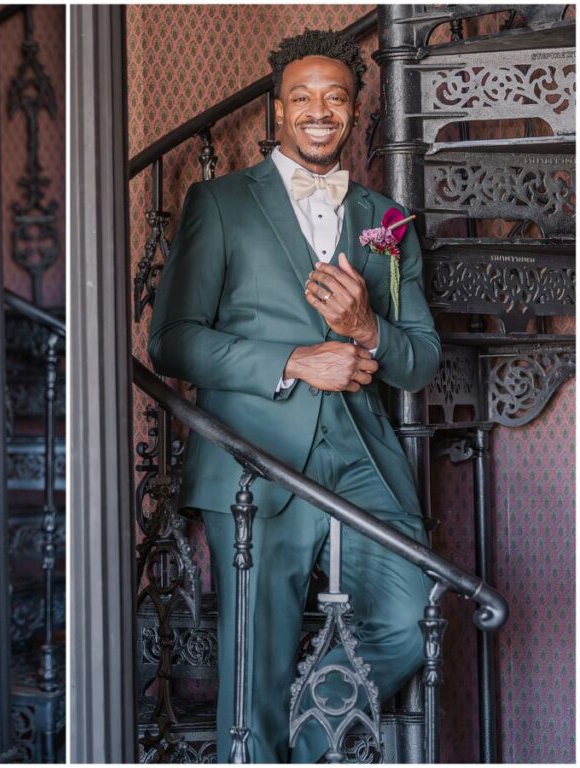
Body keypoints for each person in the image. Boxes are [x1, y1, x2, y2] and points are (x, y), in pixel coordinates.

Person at [148, 30, 441, 763]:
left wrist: (368, 328)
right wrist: (294, 360)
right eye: (302, 97)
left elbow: (423, 360)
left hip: (361, 461)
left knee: (412, 619)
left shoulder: (387, 219)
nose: (319, 110)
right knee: (256, 665)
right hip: (257, 462)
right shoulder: (218, 203)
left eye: (335, 97)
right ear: (275, 113)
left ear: (351, 111)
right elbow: (172, 342)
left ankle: (305, 744)